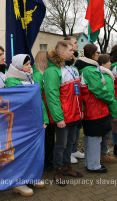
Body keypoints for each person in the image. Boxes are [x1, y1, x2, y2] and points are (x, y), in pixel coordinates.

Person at [5, 54, 45, 196]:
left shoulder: (30, 78)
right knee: (21, 152)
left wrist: (43, 118)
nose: (30, 66)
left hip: (34, 121)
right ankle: (19, 182)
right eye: (27, 64)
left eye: (30, 63)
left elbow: (38, 100)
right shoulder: (11, 80)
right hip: (20, 123)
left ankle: (32, 176)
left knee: (33, 151)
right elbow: (18, 102)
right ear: (18, 65)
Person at [44, 41, 83, 187]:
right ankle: (58, 169)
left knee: (70, 142)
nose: (73, 52)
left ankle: (67, 167)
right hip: (64, 116)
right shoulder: (52, 71)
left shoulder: (72, 69)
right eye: (71, 50)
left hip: (74, 114)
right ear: (62, 53)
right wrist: (58, 117)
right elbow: (51, 96)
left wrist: (81, 110)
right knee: (60, 144)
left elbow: (78, 93)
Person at [75, 45, 114, 173]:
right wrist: (111, 99)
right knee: (94, 138)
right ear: (92, 55)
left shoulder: (87, 69)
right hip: (95, 108)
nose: (98, 54)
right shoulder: (90, 71)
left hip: (92, 108)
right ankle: (93, 165)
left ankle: (91, 163)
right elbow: (99, 90)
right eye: (97, 52)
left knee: (91, 136)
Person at [63, 36, 84, 163]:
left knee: (76, 128)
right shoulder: (66, 64)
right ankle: (68, 151)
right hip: (68, 104)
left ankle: (74, 149)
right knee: (67, 133)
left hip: (77, 101)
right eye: (75, 43)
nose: (77, 45)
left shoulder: (75, 63)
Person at [33, 51, 54, 171]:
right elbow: (39, 96)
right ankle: (46, 162)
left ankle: (48, 161)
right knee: (46, 139)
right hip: (42, 112)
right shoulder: (37, 75)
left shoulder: (44, 73)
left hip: (47, 111)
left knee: (50, 138)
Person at [97, 54, 117, 163]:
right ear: (102, 64)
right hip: (107, 111)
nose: (111, 63)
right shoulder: (106, 76)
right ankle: (103, 154)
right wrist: (114, 113)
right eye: (108, 61)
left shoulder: (101, 74)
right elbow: (110, 96)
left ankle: (102, 152)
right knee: (106, 133)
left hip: (102, 110)